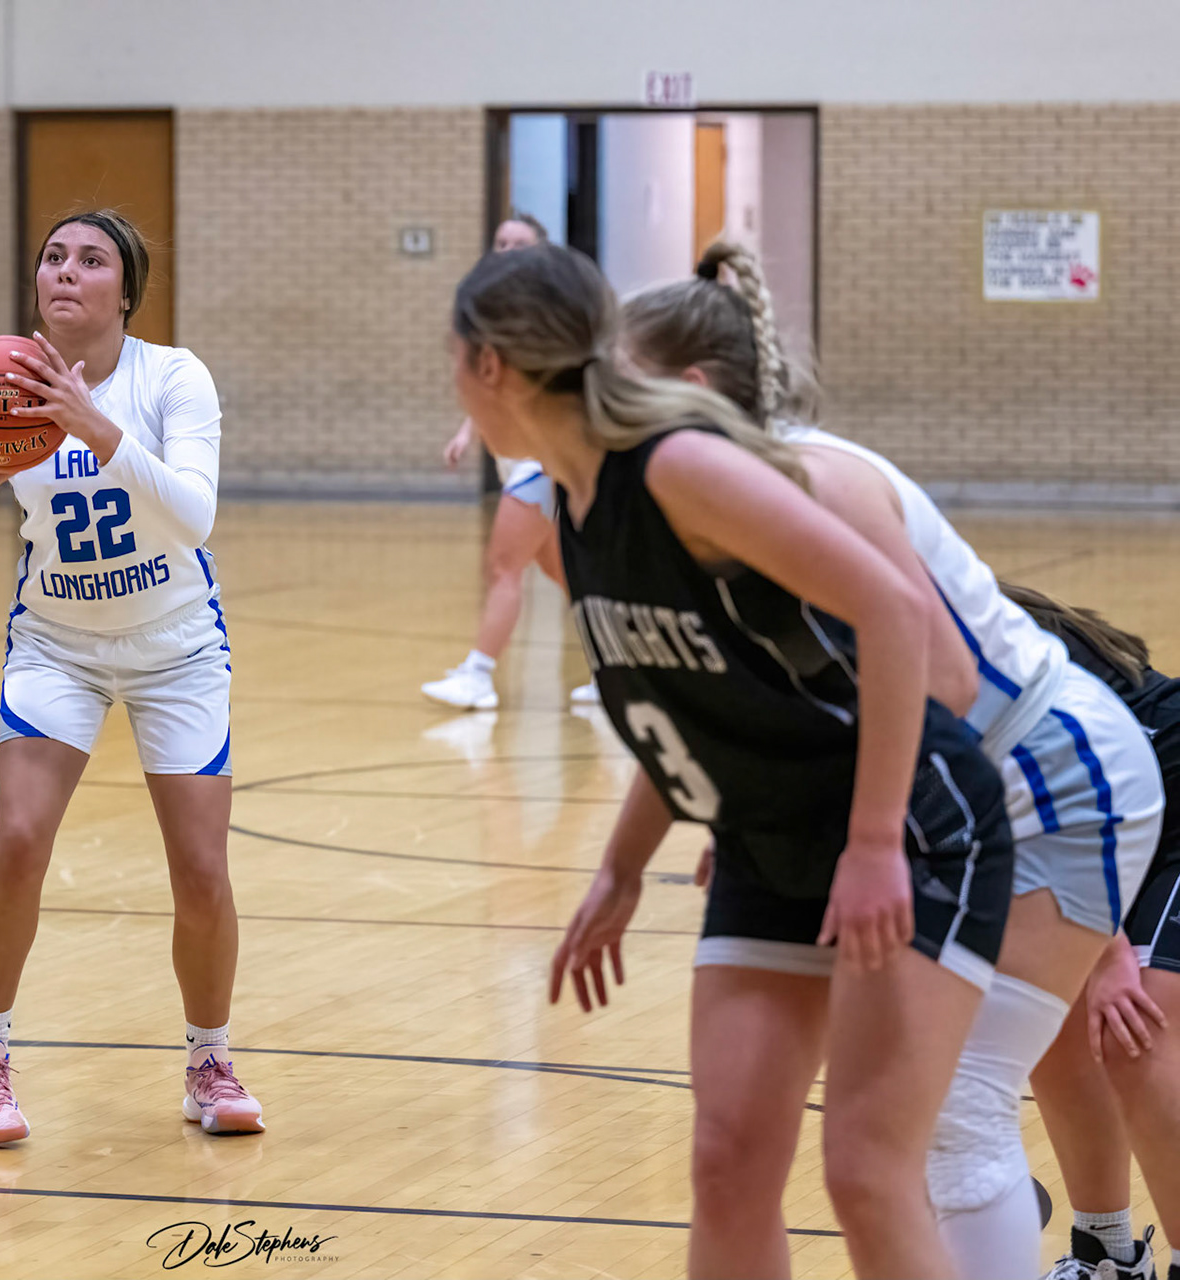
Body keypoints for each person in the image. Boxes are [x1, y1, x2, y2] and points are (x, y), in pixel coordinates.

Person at [621, 240, 1164, 1280]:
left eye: (616, 377)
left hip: (1048, 769)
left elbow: (945, 681)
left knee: (950, 1112)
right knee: (892, 1137)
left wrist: (846, 824)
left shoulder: (810, 479)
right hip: (953, 783)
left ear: (689, 389)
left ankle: (1080, 1245)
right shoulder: (688, 503)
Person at [485, 241, 1013, 1279]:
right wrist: (622, 866)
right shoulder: (589, 498)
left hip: (932, 812)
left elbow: (939, 664)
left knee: (871, 1169)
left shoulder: (745, 480)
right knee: (727, 1162)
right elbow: (685, 709)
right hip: (773, 834)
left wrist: (872, 838)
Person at [0, 209, 261, 1148]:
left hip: (177, 646)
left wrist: (97, 428)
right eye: (54, 256)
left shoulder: (172, 378)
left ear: (125, 292)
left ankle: (209, 1061)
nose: (65, 271)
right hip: (57, 643)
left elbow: (195, 516)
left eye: (91, 260)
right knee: (19, 839)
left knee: (202, 870)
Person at [997, 585, 1180, 1280]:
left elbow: (1061, 795)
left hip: (1151, 797)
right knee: (1053, 1017)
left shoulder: (936, 634)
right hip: (1090, 817)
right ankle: (1107, 1256)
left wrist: (1106, 953)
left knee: (1141, 1027)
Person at [421, 213, 594, 711]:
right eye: (501, 242)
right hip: (518, 461)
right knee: (568, 577)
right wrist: (466, 432)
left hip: (539, 464)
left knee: (502, 567)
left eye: (520, 243)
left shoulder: (546, 317)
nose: (508, 250)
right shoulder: (491, 313)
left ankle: (478, 675)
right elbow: (492, 389)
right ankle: (618, 671)